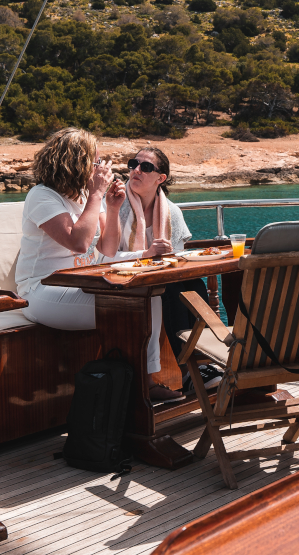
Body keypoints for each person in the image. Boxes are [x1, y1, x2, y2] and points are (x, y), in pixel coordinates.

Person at [15, 129, 179, 401]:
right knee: (138, 303)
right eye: (96, 162)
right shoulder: (42, 196)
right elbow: (78, 243)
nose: (101, 168)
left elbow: (106, 251)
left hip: (82, 282)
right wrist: (96, 195)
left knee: (151, 296)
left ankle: (142, 381)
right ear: (75, 161)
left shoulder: (85, 194)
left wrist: (112, 208)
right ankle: (136, 387)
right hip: (42, 290)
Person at [117, 146, 217, 394]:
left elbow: (178, 261)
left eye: (146, 167)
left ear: (161, 178)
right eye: (133, 164)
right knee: (170, 289)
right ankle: (188, 372)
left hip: (157, 279)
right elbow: (102, 257)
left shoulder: (171, 212)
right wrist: (146, 255)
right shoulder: (116, 206)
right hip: (123, 281)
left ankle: (204, 362)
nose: (136, 170)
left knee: (194, 285)